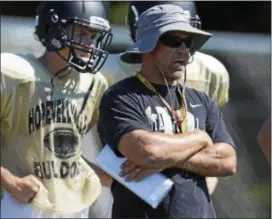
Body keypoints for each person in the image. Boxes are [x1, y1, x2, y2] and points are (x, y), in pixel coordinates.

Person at [98, 4, 237, 218]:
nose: (184, 49)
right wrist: (200, 139)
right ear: (148, 45)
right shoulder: (120, 96)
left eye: (188, 41)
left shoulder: (202, 100)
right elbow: (146, 152)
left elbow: (227, 161)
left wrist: (168, 158)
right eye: (173, 40)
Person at [0, 1, 113, 218]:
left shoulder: (93, 83)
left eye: (93, 35)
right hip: (23, 202)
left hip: (74, 203)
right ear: (53, 30)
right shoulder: (14, 74)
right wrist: (11, 181)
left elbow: (65, 147)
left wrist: (90, 170)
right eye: (81, 33)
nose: (90, 43)